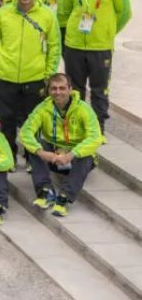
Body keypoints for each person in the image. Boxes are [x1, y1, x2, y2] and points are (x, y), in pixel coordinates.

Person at [0, 0, 61, 158]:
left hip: (35, 77)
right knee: (7, 119)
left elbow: (54, 46)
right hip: (6, 75)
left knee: (32, 121)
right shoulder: (3, 13)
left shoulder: (47, 15)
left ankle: (31, 157)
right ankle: (8, 154)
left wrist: (49, 73)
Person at [59, 0, 132, 131]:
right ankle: (76, 126)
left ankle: (98, 128)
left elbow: (124, 13)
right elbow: (63, 12)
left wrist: (108, 31)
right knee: (75, 89)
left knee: (100, 90)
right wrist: (73, 32)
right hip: (74, 46)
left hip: (101, 47)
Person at [20, 73, 106, 217]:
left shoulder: (83, 109)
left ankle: (64, 197)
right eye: (54, 88)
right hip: (53, 157)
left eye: (62, 88)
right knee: (35, 146)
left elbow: (95, 137)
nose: (58, 92)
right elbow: (25, 132)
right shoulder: (42, 108)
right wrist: (42, 152)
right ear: (48, 90)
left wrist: (71, 155)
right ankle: (45, 191)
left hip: (75, 158)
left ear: (70, 89)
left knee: (87, 155)